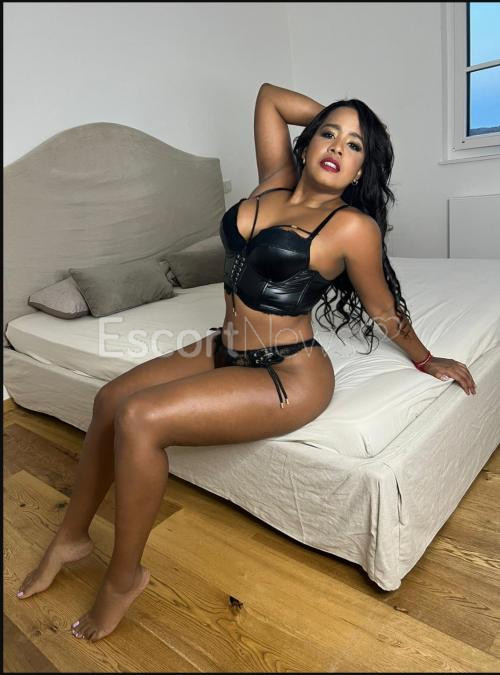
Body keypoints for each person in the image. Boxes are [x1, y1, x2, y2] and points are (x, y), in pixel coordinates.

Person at [16, 83, 477, 641]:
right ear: (308, 142)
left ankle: (123, 577)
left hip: (289, 373)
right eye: (329, 135)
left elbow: (382, 310)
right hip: (225, 347)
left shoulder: (352, 227)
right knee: (110, 398)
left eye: (355, 146)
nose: (337, 147)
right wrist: (337, 119)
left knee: (139, 418)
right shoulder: (275, 179)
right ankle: (71, 537)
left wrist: (426, 359)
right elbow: (269, 98)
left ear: (361, 169)